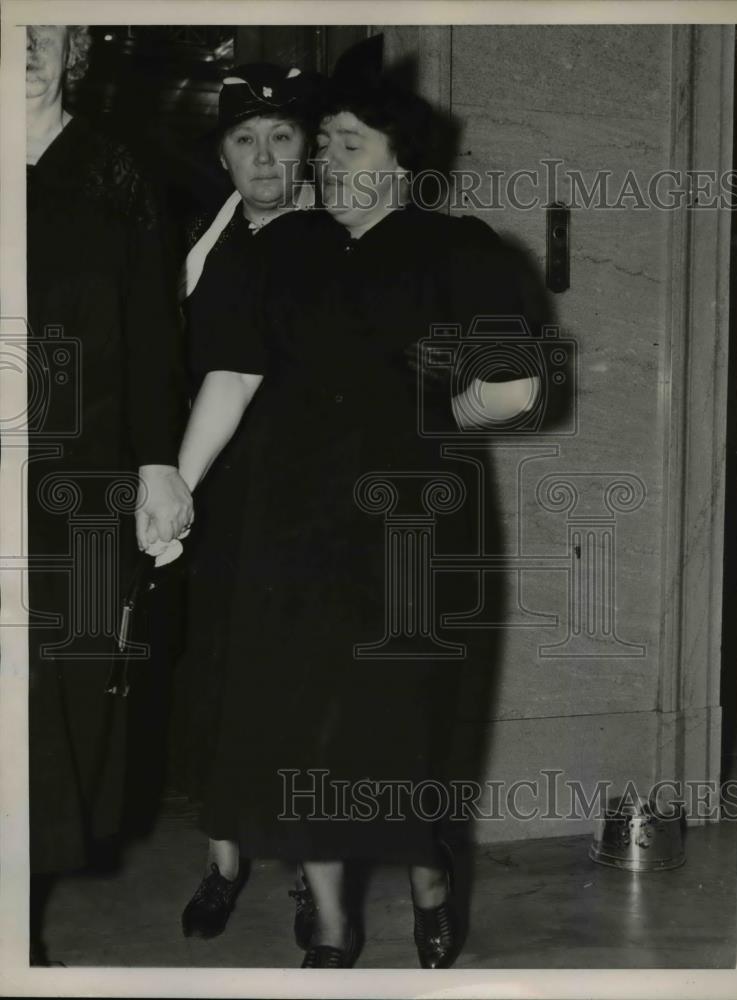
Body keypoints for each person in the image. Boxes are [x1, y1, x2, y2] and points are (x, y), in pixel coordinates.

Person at [177, 35, 540, 969]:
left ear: (399, 159)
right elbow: (233, 373)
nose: (324, 159)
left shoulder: (458, 249)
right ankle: (333, 925)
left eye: (347, 143)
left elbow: (519, 385)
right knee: (301, 715)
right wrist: (176, 480)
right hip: (294, 511)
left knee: (400, 710)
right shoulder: (279, 248)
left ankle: (427, 875)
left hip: (412, 517)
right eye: (323, 141)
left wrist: (460, 405)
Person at [25, 25, 191, 963]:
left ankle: (21, 921)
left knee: (69, 703)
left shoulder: (114, 173)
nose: (33, 46)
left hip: (80, 487)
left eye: (52, 31)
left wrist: (156, 465)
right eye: (17, 27)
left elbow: (152, 336)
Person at [175, 63, 322, 945]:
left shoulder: (331, 242)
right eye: (244, 138)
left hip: (307, 500)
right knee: (219, 678)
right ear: (222, 156)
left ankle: (315, 873)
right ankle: (223, 864)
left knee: (304, 683)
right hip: (222, 500)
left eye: (281, 137)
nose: (263, 155)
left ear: (307, 151)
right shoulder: (207, 239)